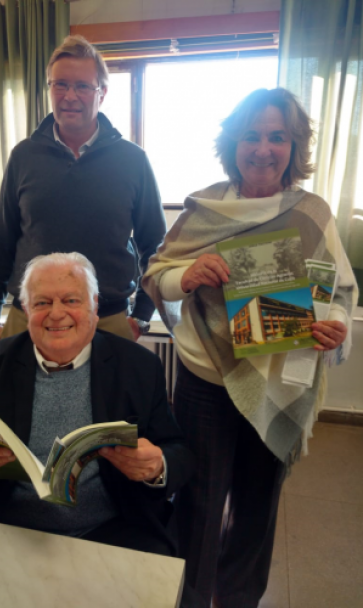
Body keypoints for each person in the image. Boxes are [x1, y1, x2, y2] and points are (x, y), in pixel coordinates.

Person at [143, 88, 359, 607]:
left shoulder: (312, 213)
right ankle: (188, 598)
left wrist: (334, 324)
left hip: (280, 381)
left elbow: (338, 291)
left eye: (276, 137)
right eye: (251, 136)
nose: (263, 148)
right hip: (206, 381)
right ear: (233, 143)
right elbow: (154, 272)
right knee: (197, 499)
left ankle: (238, 599)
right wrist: (187, 275)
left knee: (258, 505)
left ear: (294, 145)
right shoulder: (205, 207)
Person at [0, 252, 194, 556]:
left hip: (115, 529)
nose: (56, 314)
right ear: (26, 310)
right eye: (42, 303)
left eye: (71, 300)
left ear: (94, 306)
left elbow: (179, 452)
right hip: (10, 527)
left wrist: (156, 466)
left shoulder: (139, 367)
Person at [0, 35, 165, 349]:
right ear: (49, 89)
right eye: (60, 84)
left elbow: (156, 247)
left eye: (82, 86)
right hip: (30, 319)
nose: (69, 96)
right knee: (19, 400)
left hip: (107, 320)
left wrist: (143, 314)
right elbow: (1, 243)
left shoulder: (133, 161)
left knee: (108, 400)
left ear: (102, 93)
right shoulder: (23, 156)